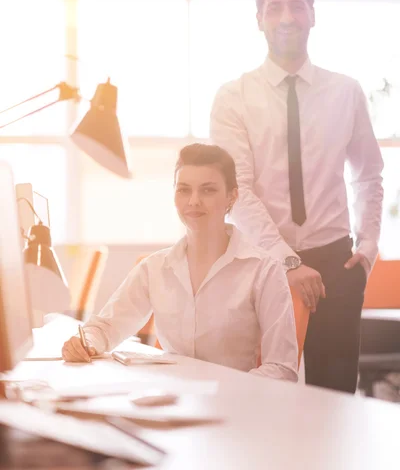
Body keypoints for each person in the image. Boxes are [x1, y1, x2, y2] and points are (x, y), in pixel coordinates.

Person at [210, 0, 384, 394]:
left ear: (312, 15)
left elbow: (368, 172)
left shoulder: (345, 91)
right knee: (258, 395)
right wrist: (286, 260)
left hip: (336, 263)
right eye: (274, 7)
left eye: (296, 5)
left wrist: (368, 246)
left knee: (336, 397)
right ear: (259, 20)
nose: (286, 16)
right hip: (261, 263)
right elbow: (238, 192)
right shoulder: (234, 97)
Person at [62, 143, 298, 382]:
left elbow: (282, 368)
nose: (194, 201)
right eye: (184, 190)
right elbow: (105, 327)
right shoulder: (155, 268)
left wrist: (224, 389)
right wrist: (87, 343)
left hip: (233, 405)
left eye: (208, 190)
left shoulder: (263, 270)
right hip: (171, 401)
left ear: (232, 196)